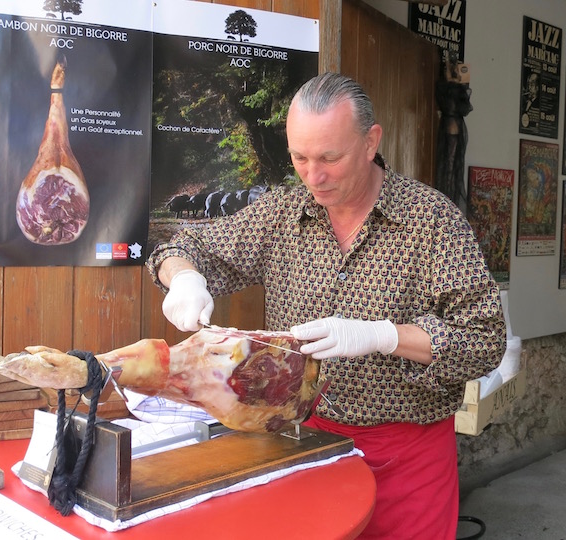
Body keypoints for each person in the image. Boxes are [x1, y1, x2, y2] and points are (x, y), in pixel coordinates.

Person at [146, 72, 506, 539]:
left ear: (371, 141)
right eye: (299, 156)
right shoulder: (281, 213)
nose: (313, 175)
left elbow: (483, 340)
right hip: (300, 442)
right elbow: (181, 248)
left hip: (405, 454)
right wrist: (184, 278)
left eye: (330, 158)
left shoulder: (431, 221)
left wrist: (384, 335)